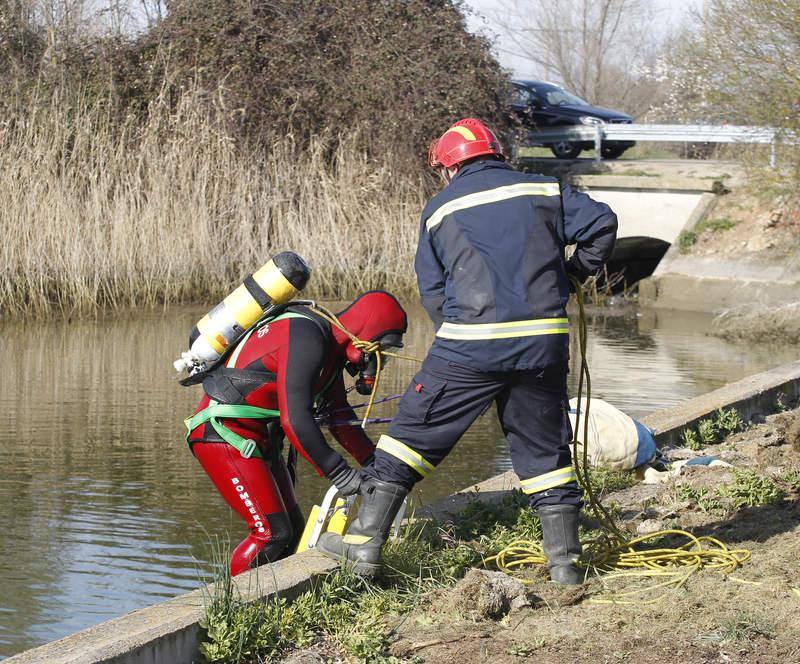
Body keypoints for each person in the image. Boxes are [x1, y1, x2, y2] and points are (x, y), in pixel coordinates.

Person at [319, 118, 618, 584]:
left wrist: (454, 339)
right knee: (545, 452)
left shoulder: (440, 210)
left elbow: (434, 290)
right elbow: (602, 222)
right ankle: (565, 567)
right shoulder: (544, 190)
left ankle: (362, 546)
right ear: (498, 154)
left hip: (470, 345)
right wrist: (572, 275)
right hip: (543, 344)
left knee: (408, 437)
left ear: (448, 168)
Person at [185, 290, 408, 576]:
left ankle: (272, 602)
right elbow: (295, 419)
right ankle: (233, 608)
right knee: (271, 534)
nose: (378, 363)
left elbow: (339, 417)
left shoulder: (329, 352)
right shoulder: (306, 335)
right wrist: (342, 475)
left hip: (258, 438)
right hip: (223, 435)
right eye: (380, 351)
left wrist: (379, 469)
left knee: (293, 532)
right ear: (365, 334)